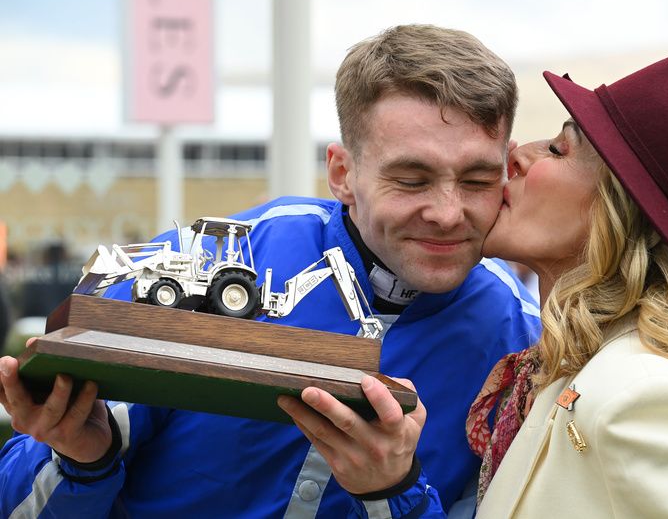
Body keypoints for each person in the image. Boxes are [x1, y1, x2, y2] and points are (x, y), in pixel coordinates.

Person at [0, 25, 540, 518]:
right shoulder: (212, 258)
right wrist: (81, 461)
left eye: (476, 180)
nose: (447, 213)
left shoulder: (523, 339)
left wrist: (393, 492)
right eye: (411, 179)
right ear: (342, 173)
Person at [281, 51, 668, 518]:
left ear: (618, 212)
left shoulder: (645, 392)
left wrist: (393, 488)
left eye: (558, 148)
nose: (516, 157)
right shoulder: (569, 371)